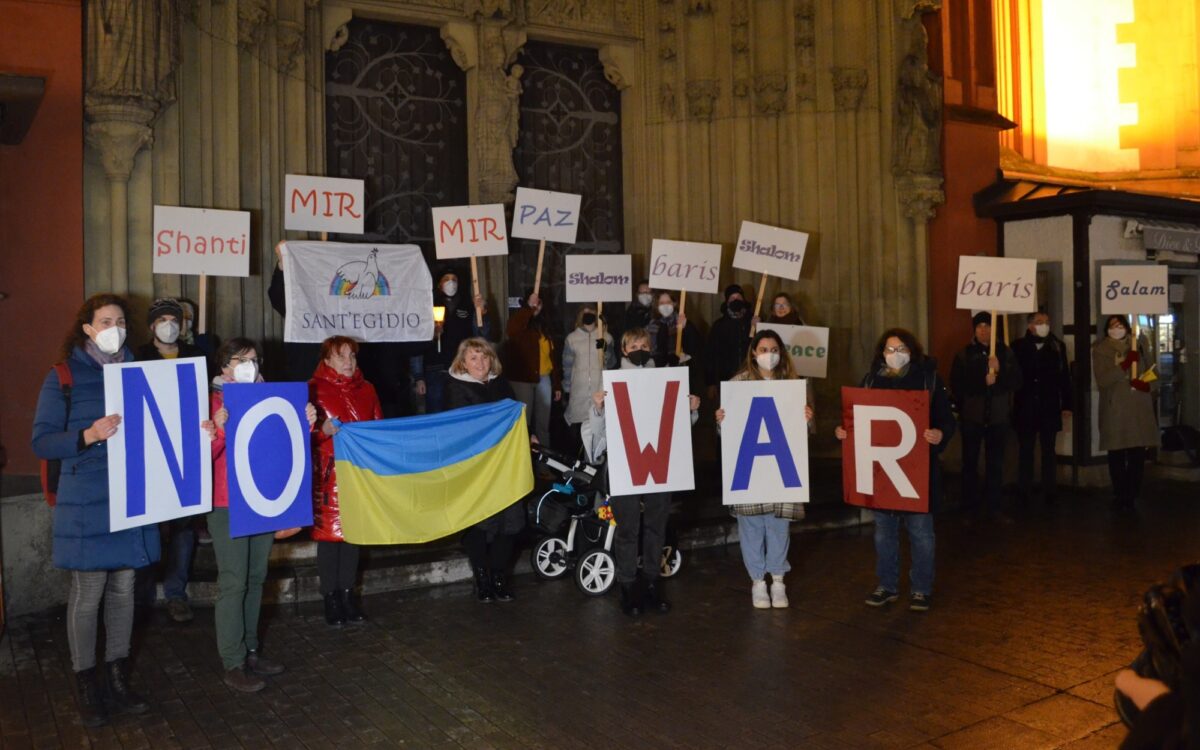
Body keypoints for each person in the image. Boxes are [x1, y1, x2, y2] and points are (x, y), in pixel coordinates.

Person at [31, 294, 161, 726]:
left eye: (121, 321)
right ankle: (87, 681)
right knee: (88, 594)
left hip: (132, 494)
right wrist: (87, 435)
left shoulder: (141, 373)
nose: (114, 328)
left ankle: (117, 677)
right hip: (86, 499)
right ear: (86, 328)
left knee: (125, 589)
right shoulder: (63, 377)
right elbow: (43, 441)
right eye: (105, 321)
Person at [208, 338, 316, 692]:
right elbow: (198, 458)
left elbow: (285, 442)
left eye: (252, 360)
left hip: (260, 500)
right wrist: (218, 430)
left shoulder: (273, 399)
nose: (247, 365)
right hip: (226, 502)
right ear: (224, 367)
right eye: (238, 360)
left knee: (255, 578)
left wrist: (306, 421)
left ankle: (250, 649)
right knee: (234, 580)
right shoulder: (210, 401)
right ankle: (232, 661)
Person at [835, 328, 956, 611]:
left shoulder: (929, 380)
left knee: (921, 534)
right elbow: (854, 420)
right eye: (890, 349)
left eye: (901, 348)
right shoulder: (870, 381)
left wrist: (940, 435)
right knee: (884, 534)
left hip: (917, 472)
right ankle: (887, 585)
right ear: (881, 354)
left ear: (912, 351)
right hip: (882, 473)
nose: (895, 354)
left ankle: (921, 589)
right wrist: (843, 432)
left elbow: (947, 421)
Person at [585, 327, 701, 617]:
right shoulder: (610, 381)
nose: (639, 348)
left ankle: (651, 582)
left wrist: (690, 409)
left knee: (655, 526)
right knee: (627, 529)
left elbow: (677, 428)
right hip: (626, 464)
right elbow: (598, 433)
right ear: (623, 350)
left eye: (644, 343)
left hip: (659, 464)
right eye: (633, 343)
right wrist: (598, 409)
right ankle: (627, 585)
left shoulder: (664, 378)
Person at [714, 330, 813, 609]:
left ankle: (778, 580)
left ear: (781, 352)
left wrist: (806, 419)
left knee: (779, 527)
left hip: (781, 468)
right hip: (751, 468)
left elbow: (800, 433)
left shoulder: (792, 385)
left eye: (773, 348)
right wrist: (721, 421)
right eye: (763, 348)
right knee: (752, 528)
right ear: (754, 353)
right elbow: (727, 435)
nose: (768, 353)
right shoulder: (738, 384)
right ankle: (758, 581)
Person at [135, 297, 208, 624]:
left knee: (183, 528)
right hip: (148, 451)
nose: (169, 325)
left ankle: (176, 594)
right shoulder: (136, 356)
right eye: (162, 319)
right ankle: (143, 594)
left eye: (175, 319)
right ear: (151, 325)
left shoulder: (196, 357)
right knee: (147, 526)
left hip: (186, 450)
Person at [445, 337, 529, 602]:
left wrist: (530, 433)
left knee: (510, 521)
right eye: (473, 358)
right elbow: (459, 427)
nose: (480, 363)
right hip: (476, 466)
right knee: (480, 522)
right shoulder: (456, 387)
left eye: (484, 357)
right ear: (463, 363)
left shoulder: (502, 384)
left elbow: (516, 417)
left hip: (505, 464)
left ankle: (498, 575)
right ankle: (482, 577)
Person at [310, 335, 382, 626]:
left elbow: (378, 429)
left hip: (358, 475)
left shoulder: (368, 389)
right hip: (328, 476)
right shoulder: (312, 390)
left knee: (353, 537)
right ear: (327, 360)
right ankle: (330, 598)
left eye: (352, 356)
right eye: (341, 356)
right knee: (329, 540)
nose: (349, 362)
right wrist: (323, 431)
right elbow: (298, 437)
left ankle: (348, 595)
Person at [950, 312, 1021, 519]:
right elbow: (957, 384)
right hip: (973, 417)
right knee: (970, 463)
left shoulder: (1005, 353)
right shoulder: (964, 354)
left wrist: (1000, 372)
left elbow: (1017, 382)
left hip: (998, 416)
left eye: (988, 326)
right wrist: (982, 381)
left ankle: (994, 506)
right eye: (980, 326)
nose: (984, 330)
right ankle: (969, 506)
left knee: (996, 463)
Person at [1092, 315, 1158, 512]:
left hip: (1138, 405)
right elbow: (1103, 380)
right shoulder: (1100, 349)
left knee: (1137, 452)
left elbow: (1153, 370)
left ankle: (1132, 493)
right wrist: (1125, 365)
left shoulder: (1140, 344)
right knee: (1117, 452)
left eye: (1120, 325)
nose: (1117, 328)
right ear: (1107, 330)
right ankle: (1120, 493)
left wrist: (1146, 384)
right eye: (1112, 326)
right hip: (1116, 408)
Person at [1011, 311, 1073, 504]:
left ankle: (1050, 489)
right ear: (1030, 325)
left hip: (1049, 405)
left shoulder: (1056, 347)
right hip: (1025, 405)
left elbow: (1065, 378)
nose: (1044, 325)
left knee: (1049, 449)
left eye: (1046, 322)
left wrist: (1067, 404)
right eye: (1039, 322)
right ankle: (1024, 489)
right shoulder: (1017, 347)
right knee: (1026, 449)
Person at [420, 267, 490, 414]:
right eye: (446, 279)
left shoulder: (468, 305)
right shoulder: (428, 305)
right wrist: (418, 376)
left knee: (461, 409)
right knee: (436, 411)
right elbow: (418, 343)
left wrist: (481, 314)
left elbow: (482, 335)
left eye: (454, 280)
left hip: (461, 368)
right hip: (435, 367)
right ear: (439, 284)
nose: (451, 283)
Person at [504, 291, 561, 447]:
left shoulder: (545, 327)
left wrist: (556, 384)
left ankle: (544, 465)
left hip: (544, 378)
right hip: (523, 380)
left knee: (543, 423)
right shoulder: (520, 323)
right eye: (533, 302)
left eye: (539, 302)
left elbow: (552, 358)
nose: (536, 306)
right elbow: (511, 329)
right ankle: (525, 463)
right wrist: (528, 309)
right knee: (524, 423)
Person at [562, 306, 616, 458]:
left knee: (598, 426)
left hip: (599, 389)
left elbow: (612, 363)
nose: (588, 316)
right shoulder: (572, 338)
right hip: (579, 390)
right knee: (579, 430)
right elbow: (567, 365)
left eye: (592, 313)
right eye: (585, 313)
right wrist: (567, 389)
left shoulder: (606, 337)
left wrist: (606, 350)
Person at [646, 290, 703, 395]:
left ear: (675, 303)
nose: (665, 306)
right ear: (656, 306)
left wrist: (687, 327)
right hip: (658, 374)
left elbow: (696, 347)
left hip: (682, 373)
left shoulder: (684, 324)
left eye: (668, 302)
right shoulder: (650, 326)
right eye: (662, 303)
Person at [704, 284, 753, 400]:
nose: (736, 300)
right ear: (727, 302)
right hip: (726, 380)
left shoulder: (753, 323)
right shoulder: (719, 326)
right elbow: (710, 355)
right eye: (732, 298)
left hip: (751, 378)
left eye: (739, 298)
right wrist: (710, 383)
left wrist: (758, 326)